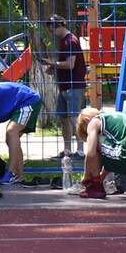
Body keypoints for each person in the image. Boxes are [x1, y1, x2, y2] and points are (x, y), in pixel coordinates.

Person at [75, 105, 126, 200]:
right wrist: (101, 178)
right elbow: (112, 160)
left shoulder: (94, 121)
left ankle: (95, 189)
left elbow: (91, 153)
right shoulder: (116, 117)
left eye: (86, 132)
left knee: (94, 144)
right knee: (116, 148)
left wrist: (87, 177)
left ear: (86, 120)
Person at [37, 15, 87, 157]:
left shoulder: (70, 41)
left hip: (73, 86)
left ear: (59, 26)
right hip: (64, 87)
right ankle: (67, 150)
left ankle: (81, 150)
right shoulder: (64, 41)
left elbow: (70, 64)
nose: (51, 32)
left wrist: (52, 63)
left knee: (74, 118)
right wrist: (54, 68)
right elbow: (65, 64)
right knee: (64, 118)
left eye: (52, 29)